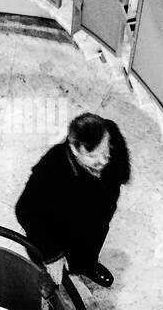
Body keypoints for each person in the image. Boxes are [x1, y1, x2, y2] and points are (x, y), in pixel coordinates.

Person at [15, 112, 130, 287]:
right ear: (74, 149)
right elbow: (24, 210)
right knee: (55, 275)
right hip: (62, 235)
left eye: (105, 152)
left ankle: (88, 266)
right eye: (91, 156)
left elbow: (121, 167)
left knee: (90, 250)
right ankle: (53, 280)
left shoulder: (110, 130)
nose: (102, 161)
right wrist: (53, 256)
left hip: (95, 224)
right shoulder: (51, 167)